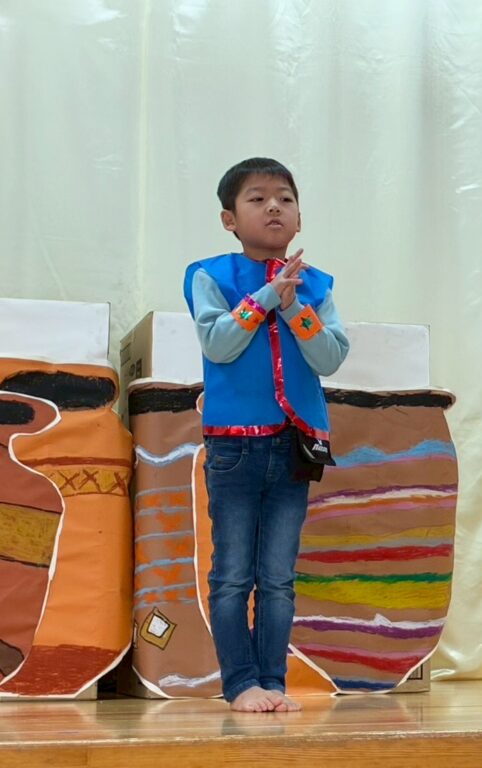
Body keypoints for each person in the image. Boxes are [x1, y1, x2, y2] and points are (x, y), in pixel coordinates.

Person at [183, 157, 349, 712]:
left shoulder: (317, 284)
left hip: (295, 443)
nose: (274, 206)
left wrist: (295, 305)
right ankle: (240, 684)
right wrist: (265, 298)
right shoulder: (208, 275)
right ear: (229, 219)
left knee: (278, 576)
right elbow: (218, 344)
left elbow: (330, 357)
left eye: (285, 198)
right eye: (257, 198)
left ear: (299, 218)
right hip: (233, 444)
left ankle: (273, 684)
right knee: (233, 574)